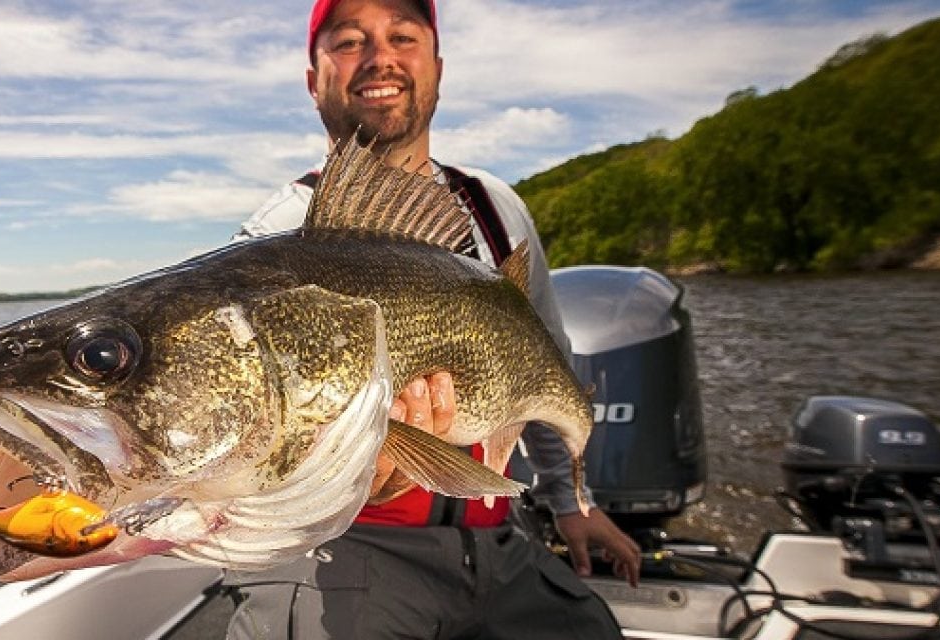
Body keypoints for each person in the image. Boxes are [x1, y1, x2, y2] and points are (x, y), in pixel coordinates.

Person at [223, 0, 642, 637]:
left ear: (437, 66)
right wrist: (359, 482)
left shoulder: (494, 205)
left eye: (402, 35)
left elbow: (545, 361)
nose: (379, 57)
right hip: (347, 552)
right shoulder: (276, 239)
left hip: (500, 540)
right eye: (348, 41)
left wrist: (572, 501)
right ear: (314, 79)